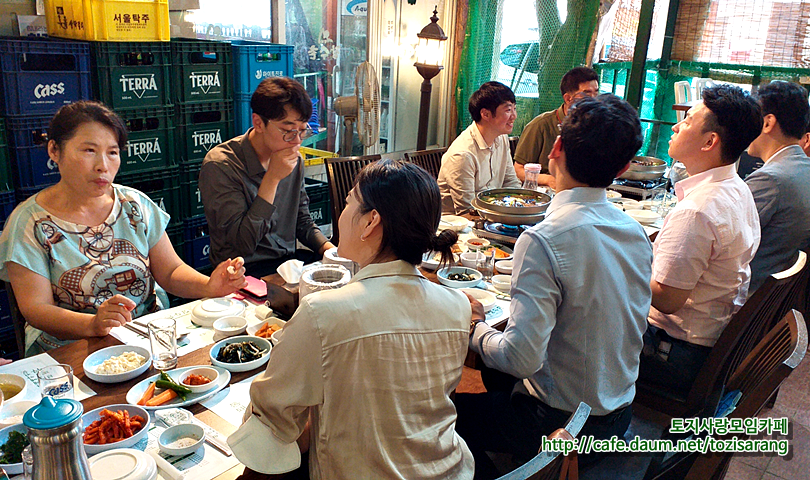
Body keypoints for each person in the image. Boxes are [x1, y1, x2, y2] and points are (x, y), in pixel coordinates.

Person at [228, 160, 474, 479]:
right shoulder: (458, 305)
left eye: (348, 203)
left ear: (371, 221)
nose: (342, 214)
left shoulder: (322, 313)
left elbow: (270, 423)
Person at [454, 94, 653, 478]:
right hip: (618, 416)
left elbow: (520, 360)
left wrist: (474, 327)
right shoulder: (635, 231)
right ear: (624, 167)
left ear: (556, 147)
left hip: (562, 428)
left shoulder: (544, 238)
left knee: (440, 417)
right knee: (496, 375)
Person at [0, 101, 246, 357]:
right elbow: (36, 309)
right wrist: (93, 324)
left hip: (146, 336)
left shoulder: (134, 204)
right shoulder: (29, 222)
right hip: (71, 350)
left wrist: (209, 286)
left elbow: (170, 271)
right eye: (89, 150)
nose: (102, 165)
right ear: (54, 150)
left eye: (112, 152)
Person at [639, 85, 762, 397]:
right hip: (709, 344)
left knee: (572, 324)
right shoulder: (738, 188)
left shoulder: (697, 211)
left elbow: (667, 300)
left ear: (710, 141)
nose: (676, 127)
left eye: (687, 121)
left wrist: (620, 264)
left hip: (671, 354)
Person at [199, 77, 334, 278]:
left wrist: (330, 250)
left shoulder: (293, 159)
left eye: (302, 131)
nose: (296, 141)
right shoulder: (221, 165)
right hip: (242, 272)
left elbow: (303, 221)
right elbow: (241, 246)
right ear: (258, 123)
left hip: (287, 264)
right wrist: (272, 179)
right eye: (288, 131)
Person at [745, 81, 810, 293]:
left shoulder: (770, 179)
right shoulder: (804, 169)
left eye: (751, 118)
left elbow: (723, 244)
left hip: (743, 296)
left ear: (767, 123)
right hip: (776, 298)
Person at [438, 81, 521, 214]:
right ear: (485, 114)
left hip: (493, 213)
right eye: (508, 110)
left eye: (514, 109)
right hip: (461, 222)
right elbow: (468, 211)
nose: (514, 116)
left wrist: (522, 206)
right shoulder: (463, 155)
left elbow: (511, 183)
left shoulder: (501, 138)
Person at [513, 66, 599, 186]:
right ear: (568, 98)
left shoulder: (596, 126)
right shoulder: (540, 125)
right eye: (587, 94)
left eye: (596, 93)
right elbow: (518, 171)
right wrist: (549, 180)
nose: (594, 100)